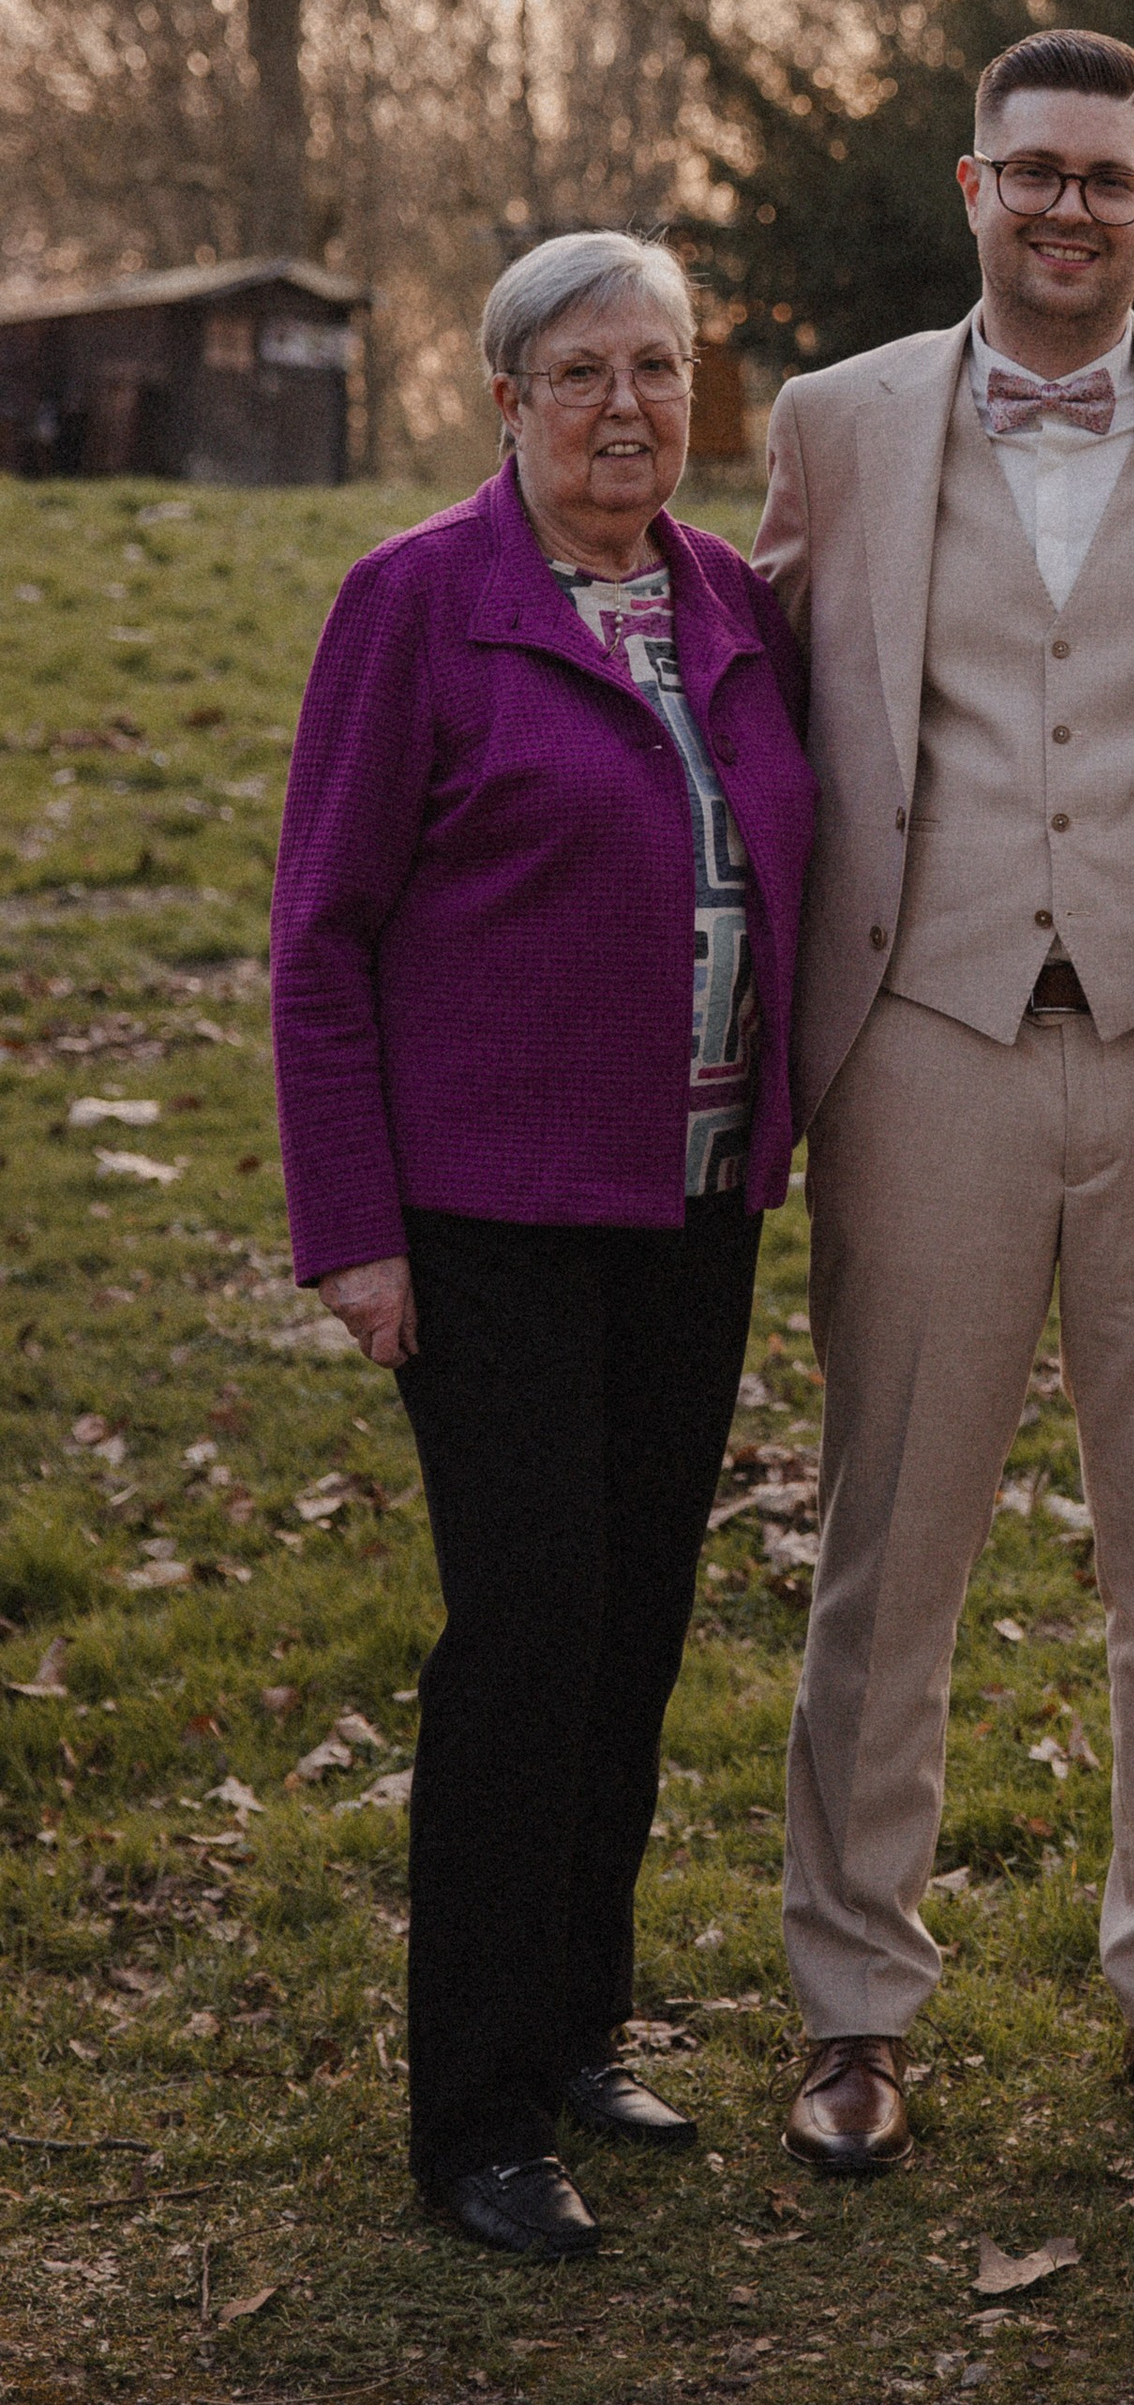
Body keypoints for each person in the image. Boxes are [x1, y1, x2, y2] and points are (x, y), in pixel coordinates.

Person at [758, 28, 1134, 2174]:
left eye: (1106, 177)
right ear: (971, 188)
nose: (1069, 207)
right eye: (1033, 173)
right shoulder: (836, 421)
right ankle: (848, 2006)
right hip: (925, 1031)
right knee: (886, 1541)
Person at [271, 233, 816, 2260]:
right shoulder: (416, 604)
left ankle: (579, 2020)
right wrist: (352, 1230)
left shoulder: (732, 608)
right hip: (485, 1217)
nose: (623, 412)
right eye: (579, 373)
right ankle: (477, 2113)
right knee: (522, 1638)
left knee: (636, 1623)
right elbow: (319, 943)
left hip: (686, 1206)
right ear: (503, 399)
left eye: (657, 372)